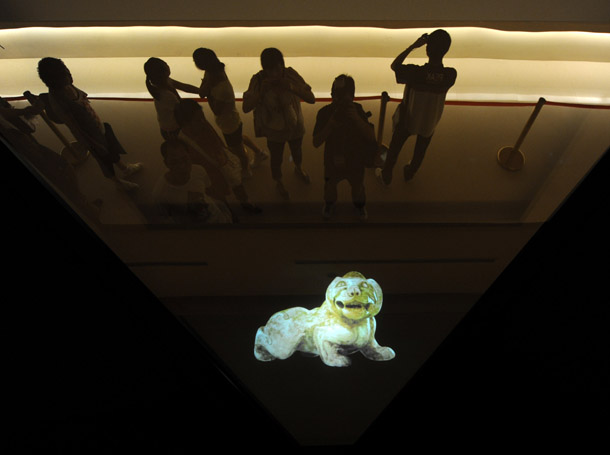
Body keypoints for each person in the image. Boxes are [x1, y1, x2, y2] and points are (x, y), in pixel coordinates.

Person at [36, 57, 143, 192]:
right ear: (54, 81)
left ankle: (124, 168)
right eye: (64, 75)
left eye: (67, 71)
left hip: (96, 125)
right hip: (89, 136)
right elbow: (73, 126)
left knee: (110, 149)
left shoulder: (68, 86)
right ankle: (117, 182)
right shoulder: (59, 101)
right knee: (103, 159)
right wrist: (90, 143)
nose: (69, 76)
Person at [376, 29, 457, 185]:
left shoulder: (415, 72)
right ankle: (410, 173)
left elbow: (395, 65)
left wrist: (414, 45)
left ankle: (386, 176)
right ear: (446, 50)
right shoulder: (451, 75)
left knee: (395, 147)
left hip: (408, 119)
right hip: (430, 121)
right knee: (420, 151)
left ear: (427, 49)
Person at [0, 97, 102, 221]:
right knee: (59, 171)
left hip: (22, 139)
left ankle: (85, 207)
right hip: (19, 143)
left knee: (58, 171)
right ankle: (86, 209)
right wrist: (26, 111)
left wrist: (28, 112)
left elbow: (19, 122)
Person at [242, 47, 315, 199]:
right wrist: (261, 92)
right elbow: (246, 107)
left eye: (277, 69)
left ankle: (298, 167)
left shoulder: (290, 74)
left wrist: (291, 87)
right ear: (264, 69)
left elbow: (311, 98)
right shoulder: (258, 80)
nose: (274, 74)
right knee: (276, 158)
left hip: (295, 124)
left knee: (297, 151)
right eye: (270, 70)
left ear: (282, 65)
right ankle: (278, 181)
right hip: (273, 129)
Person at [174, 99, 262, 216]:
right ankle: (228, 212)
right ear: (186, 123)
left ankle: (245, 202)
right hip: (209, 173)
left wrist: (224, 151)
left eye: (203, 117)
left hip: (221, 161)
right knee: (218, 194)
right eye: (198, 120)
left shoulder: (202, 125)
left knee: (236, 182)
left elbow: (216, 138)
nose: (203, 121)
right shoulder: (183, 142)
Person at [192, 48, 268, 177]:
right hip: (231, 119)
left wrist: (208, 92)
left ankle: (246, 171)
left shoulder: (220, 86)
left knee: (237, 149)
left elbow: (216, 109)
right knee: (238, 139)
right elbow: (203, 92)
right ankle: (259, 152)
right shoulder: (212, 72)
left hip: (228, 122)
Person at [313, 75, 376, 221]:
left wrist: (357, 118)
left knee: (358, 187)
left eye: (344, 98)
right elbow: (316, 142)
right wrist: (330, 124)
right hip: (332, 159)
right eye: (338, 96)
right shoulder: (325, 113)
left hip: (355, 160)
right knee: (330, 187)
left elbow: (371, 137)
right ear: (332, 95)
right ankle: (330, 204)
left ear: (352, 96)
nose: (340, 102)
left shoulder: (357, 110)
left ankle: (359, 206)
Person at [152, 139, 232, 224]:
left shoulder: (199, 170)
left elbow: (209, 192)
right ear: (166, 163)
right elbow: (164, 219)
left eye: (185, 159)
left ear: (189, 156)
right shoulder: (160, 194)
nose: (182, 166)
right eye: (174, 162)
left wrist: (225, 210)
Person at [144, 57, 200, 140]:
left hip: (169, 129)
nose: (168, 65)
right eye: (166, 64)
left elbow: (184, 87)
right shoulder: (166, 95)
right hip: (173, 131)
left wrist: (201, 91)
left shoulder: (165, 82)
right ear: (164, 71)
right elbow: (181, 113)